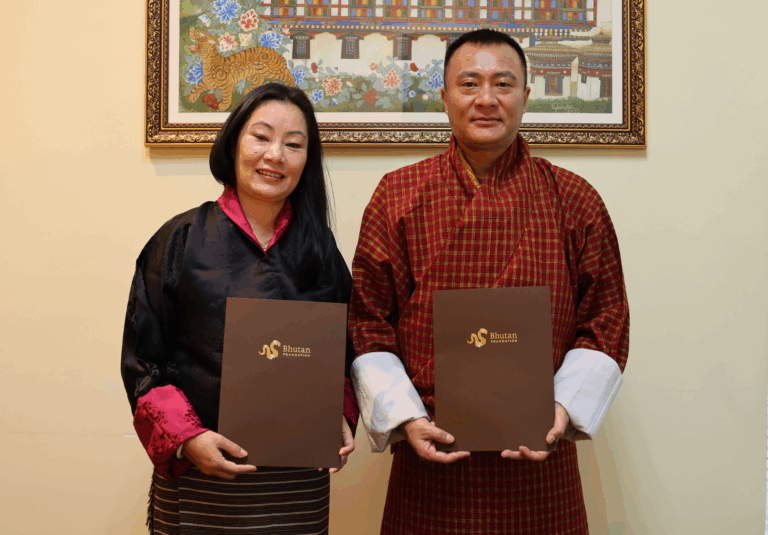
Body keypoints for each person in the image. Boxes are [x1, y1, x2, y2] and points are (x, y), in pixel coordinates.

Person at [348, 29, 629, 534]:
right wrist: (407, 417)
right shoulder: (397, 194)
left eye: (503, 84)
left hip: (539, 458)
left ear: (526, 96)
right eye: (469, 83)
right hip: (431, 454)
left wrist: (560, 410)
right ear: (444, 97)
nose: (486, 99)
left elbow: (605, 320)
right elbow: (368, 321)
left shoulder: (574, 198)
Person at [121, 83, 358, 534]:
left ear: (307, 160)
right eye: (261, 137)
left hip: (297, 483)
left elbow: (349, 350)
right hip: (201, 475)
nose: (275, 156)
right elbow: (143, 360)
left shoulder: (320, 248)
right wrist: (188, 438)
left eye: (294, 145)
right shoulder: (180, 238)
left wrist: (342, 416)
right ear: (233, 144)